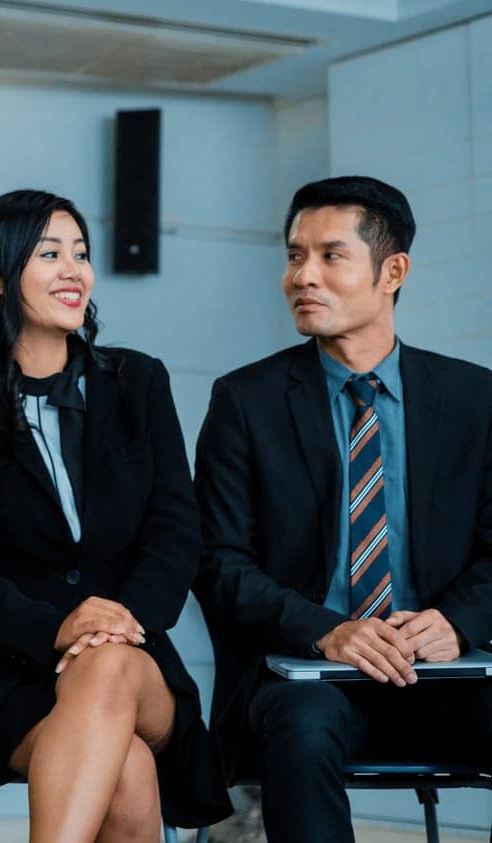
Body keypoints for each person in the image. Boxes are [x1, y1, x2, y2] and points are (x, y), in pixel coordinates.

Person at [0, 189, 230, 842]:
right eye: (49, 252)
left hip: (134, 659)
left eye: (80, 253)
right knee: (127, 770)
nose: (73, 270)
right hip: (11, 674)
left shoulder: (139, 380)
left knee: (106, 668)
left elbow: (176, 530)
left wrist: (118, 623)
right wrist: (58, 627)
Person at [194, 175, 492, 842]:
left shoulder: (476, 398)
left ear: (393, 271)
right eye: (295, 255)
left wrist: (458, 622)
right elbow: (217, 562)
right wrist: (327, 628)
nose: (303, 276)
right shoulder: (247, 401)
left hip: (446, 675)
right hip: (305, 680)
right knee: (303, 723)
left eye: (330, 255)